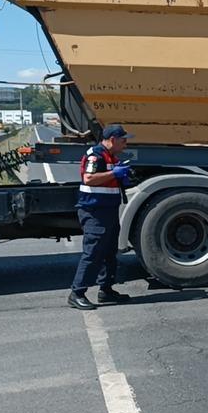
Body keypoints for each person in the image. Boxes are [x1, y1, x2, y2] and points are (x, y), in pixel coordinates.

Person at [68, 124, 134, 310]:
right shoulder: (95, 155)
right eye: (123, 140)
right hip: (94, 211)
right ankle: (77, 293)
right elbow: (88, 178)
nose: (126, 144)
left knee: (109, 252)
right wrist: (114, 173)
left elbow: (105, 179)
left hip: (108, 209)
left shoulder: (110, 155)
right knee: (93, 252)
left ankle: (106, 289)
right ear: (112, 139)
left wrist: (122, 177)